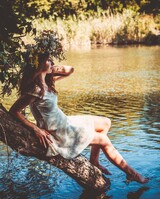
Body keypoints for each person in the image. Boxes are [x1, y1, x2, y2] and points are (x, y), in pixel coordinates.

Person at [9, 53, 149, 184]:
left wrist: (51, 68)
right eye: (48, 60)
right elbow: (14, 111)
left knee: (106, 122)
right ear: (39, 65)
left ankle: (94, 160)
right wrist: (36, 129)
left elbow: (70, 70)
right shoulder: (36, 90)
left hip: (63, 120)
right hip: (58, 131)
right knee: (103, 139)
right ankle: (132, 173)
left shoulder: (47, 81)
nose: (52, 61)